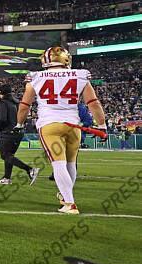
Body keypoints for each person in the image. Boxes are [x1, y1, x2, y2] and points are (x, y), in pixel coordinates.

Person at [17, 46, 106, 214]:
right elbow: (93, 103)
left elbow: (24, 106)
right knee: (70, 163)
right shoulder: (80, 75)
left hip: (50, 124)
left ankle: (70, 203)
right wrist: (101, 125)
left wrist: (19, 124)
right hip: (73, 125)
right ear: (66, 59)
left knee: (58, 164)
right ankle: (66, 195)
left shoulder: (35, 77)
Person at [0, 83, 39, 185]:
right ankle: (6, 178)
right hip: (18, 132)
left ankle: (30, 170)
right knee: (10, 155)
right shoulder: (17, 103)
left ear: (0, 93)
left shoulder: (3, 103)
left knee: (5, 155)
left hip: (7, 133)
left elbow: (1, 119)